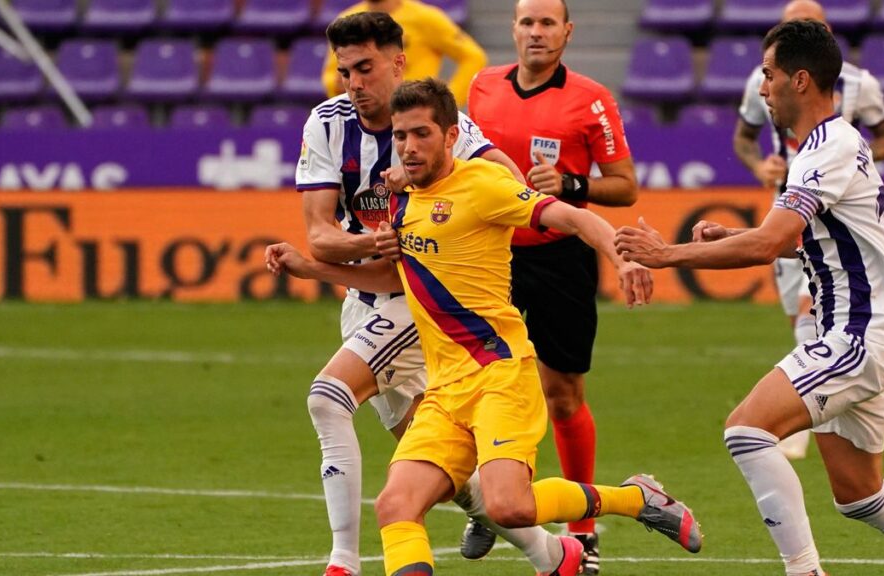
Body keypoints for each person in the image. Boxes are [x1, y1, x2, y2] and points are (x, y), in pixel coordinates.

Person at [616, 20, 884, 576]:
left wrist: (667, 255)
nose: (762, 88)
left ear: (800, 80)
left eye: (769, 75)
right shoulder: (832, 144)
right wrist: (734, 237)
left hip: (856, 334)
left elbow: (774, 238)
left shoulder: (827, 147)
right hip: (860, 333)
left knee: (746, 430)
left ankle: (804, 572)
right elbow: (819, 242)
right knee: (860, 495)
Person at [269, 78, 702, 576]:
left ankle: (633, 498)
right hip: (445, 389)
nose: (409, 147)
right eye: (402, 135)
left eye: (422, 135)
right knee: (396, 506)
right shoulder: (401, 199)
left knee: (509, 507)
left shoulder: (484, 185)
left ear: (452, 136)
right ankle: (560, 551)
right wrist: (311, 268)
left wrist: (622, 259)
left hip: (499, 374)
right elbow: (398, 274)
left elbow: (575, 220)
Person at [294, 12, 567, 576]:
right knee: (435, 469)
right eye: (344, 71)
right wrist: (373, 242)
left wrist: (451, 233)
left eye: (365, 68)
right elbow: (320, 235)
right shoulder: (326, 123)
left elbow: (507, 185)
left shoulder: (446, 127)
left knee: (327, 397)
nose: (354, 84)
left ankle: (343, 561)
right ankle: (552, 554)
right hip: (366, 299)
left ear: (399, 61)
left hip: (425, 303)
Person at [462, 1, 639, 570]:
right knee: (473, 390)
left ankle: (582, 526)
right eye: (526, 22)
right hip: (486, 258)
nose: (536, 33)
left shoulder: (591, 99)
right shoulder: (482, 87)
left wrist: (569, 183)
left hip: (560, 258)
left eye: (547, 23)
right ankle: (484, 506)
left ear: (567, 31)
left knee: (562, 395)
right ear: (513, 30)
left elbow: (625, 187)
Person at [732, 0, 884, 460]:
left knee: (819, 302)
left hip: (830, 198)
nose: (768, 84)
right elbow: (744, 138)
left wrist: (855, 164)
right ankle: (808, 403)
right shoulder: (760, 81)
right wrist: (759, 165)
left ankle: (798, 411)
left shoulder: (856, 91)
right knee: (803, 314)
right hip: (789, 203)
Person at [321, 0, 487, 107]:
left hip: (414, 111)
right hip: (367, 111)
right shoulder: (347, 20)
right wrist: (335, 86)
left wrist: (448, 100)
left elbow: (473, 57)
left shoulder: (425, 18)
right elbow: (331, 74)